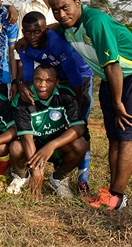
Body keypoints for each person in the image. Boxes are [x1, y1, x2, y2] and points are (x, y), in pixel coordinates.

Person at [50, 0, 132, 210]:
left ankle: (118, 198)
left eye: (65, 8)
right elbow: (51, 27)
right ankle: (111, 191)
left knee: (126, 134)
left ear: (78, 3)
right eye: (56, 10)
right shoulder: (66, 27)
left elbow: (113, 65)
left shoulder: (95, 22)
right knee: (114, 136)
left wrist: (118, 102)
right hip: (111, 80)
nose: (61, 14)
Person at [17, 11, 94, 195]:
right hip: (52, 79)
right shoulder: (25, 47)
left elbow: (74, 77)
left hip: (79, 78)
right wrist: (22, 87)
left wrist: (74, 108)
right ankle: (32, 168)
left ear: (45, 30)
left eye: (37, 32)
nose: (32, 36)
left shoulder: (57, 42)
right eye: (27, 32)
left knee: (80, 129)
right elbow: (28, 76)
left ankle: (82, 180)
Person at [7, 64, 88, 200]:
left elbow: (78, 128)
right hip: (33, 146)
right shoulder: (22, 99)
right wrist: (35, 171)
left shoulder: (66, 95)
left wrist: (51, 145)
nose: (42, 85)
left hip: (56, 146)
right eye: (38, 80)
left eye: (48, 81)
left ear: (56, 82)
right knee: (15, 147)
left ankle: (58, 179)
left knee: (81, 145)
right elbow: (27, 138)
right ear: (32, 80)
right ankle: (22, 176)